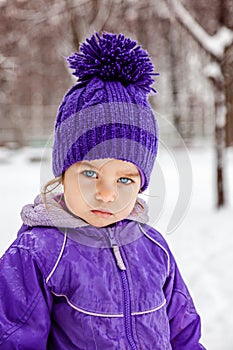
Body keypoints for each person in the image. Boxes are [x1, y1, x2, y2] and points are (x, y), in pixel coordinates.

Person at [0, 32, 205, 349]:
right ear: (63, 173)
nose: (106, 194)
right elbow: (14, 339)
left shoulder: (154, 248)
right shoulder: (37, 252)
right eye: (90, 173)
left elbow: (184, 335)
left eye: (125, 180)